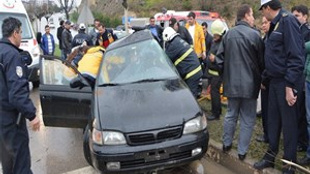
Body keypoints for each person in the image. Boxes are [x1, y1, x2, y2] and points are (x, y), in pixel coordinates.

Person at [253, 1, 305, 173]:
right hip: (274, 81)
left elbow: (296, 57)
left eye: (263, 10)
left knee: (289, 125)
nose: (263, 15)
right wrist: (265, 77)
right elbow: (274, 56)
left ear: (268, 8)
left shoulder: (288, 21)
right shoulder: (275, 25)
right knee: (273, 121)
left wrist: (290, 86)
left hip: (286, 82)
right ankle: (270, 156)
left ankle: (289, 164)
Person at [216, 4, 264, 161]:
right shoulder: (255, 35)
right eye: (252, 15)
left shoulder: (228, 35)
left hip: (231, 84)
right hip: (250, 86)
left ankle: (226, 144)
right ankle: (242, 152)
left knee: (231, 114)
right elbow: (262, 62)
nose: (253, 18)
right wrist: (260, 79)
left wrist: (226, 77)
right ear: (245, 16)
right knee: (247, 118)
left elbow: (219, 60)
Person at [0, 17, 40, 174]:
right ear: (15, 33)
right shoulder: (11, 55)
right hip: (12, 121)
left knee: (8, 163)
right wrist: (32, 115)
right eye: (21, 32)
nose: (21, 36)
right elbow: (16, 94)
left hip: (2, 121)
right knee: (21, 164)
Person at [163, 27, 203, 98]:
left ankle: (193, 109)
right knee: (190, 94)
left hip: (192, 73)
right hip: (195, 70)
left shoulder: (173, 45)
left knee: (191, 97)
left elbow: (165, 60)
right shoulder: (178, 40)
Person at [205, 19, 226, 121]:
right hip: (212, 73)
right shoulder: (216, 41)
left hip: (217, 74)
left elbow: (224, 59)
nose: (214, 37)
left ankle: (215, 113)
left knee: (215, 93)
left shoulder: (223, 43)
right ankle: (217, 110)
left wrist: (215, 59)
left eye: (215, 35)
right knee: (214, 93)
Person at [256, 16, 270, 144]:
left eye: (266, 23)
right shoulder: (265, 38)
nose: (263, 25)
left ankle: (268, 135)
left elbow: (268, 62)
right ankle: (267, 134)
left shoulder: (270, 39)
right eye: (262, 23)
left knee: (268, 110)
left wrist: (263, 79)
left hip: (268, 80)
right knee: (265, 110)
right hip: (265, 78)